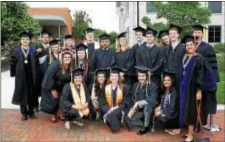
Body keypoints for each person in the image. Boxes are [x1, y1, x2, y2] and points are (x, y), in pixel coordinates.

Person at [192, 25, 220, 129]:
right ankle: (200, 122)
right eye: (195, 32)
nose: (196, 34)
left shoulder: (208, 47)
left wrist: (214, 79)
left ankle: (209, 123)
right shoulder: (190, 46)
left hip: (206, 79)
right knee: (197, 102)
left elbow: (213, 64)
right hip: (195, 79)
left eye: (199, 33)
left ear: (202, 34)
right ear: (192, 34)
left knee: (208, 100)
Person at [179, 35, 206, 142]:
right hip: (183, 88)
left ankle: (191, 134)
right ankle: (189, 131)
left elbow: (201, 75)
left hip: (192, 89)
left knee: (191, 111)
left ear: (195, 45)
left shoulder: (199, 58)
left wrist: (199, 90)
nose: (189, 46)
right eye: (187, 45)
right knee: (185, 109)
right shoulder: (185, 56)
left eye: (191, 44)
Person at [10, 31, 38, 121]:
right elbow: (13, 63)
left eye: (27, 39)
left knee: (31, 94)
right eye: (23, 39)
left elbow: (37, 64)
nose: (25, 40)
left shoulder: (33, 51)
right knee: (22, 93)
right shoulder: (16, 51)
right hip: (21, 76)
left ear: (29, 40)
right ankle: (24, 113)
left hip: (31, 76)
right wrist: (14, 74)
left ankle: (31, 112)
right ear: (20, 40)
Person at [41, 49, 73, 123]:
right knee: (54, 101)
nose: (67, 58)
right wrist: (53, 89)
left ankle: (61, 114)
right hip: (53, 86)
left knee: (62, 101)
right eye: (65, 57)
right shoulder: (55, 65)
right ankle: (53, 115)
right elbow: (49, 77)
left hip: (62, 87)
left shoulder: (70, 67)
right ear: (62, 58)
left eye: (69, 57)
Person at [126, 66, 158, 135]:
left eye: (143, 76)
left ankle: (146, 127)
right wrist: (131, 109)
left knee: (148, 106)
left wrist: (138, 103)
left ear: (147, 76)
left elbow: (153, 99)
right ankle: (141, 120)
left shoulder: (153, 86)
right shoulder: (135, 85)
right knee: (129, 119)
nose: (141, 78)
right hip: (138, 110)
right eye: (139, 76)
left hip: (148, 110)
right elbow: (130, 98)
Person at [99, 67, 130, 132]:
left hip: (119, 109)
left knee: (115, 114)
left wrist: (116, 108)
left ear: (118, 77)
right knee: (111, 115)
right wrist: (109, 109)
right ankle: (115, 124)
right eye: (112, 76)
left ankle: (114, 125)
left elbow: (125, 102)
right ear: (110, 77)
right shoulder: (105, 88)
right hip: (108, 110)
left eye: (116, 76)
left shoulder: (124, 88)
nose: (114, 78)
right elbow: (102, 101)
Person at [136, 27, 163, 100]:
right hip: (143, 76)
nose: (149, 38)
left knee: (155, 94)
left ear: (154, 37)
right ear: (145, 37)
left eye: (151, 36)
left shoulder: (159, 49)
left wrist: (151, 71)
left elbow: (160, 62)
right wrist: (144, 72)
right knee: (143, 94)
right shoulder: (140, 50)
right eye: (147, 37)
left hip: (154, 76)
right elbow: (138, 63)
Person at [35, 31, 52, 111]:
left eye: (47, 37)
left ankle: (44, 105)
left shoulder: (52, 47)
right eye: (44, 37)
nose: (45, 38)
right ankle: (36, 105)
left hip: (48, 72)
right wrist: (36, 52)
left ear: (49, 38)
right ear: (41, 38)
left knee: (46, 89)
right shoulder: (36, 47)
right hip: (39, 72)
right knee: (38, 88)